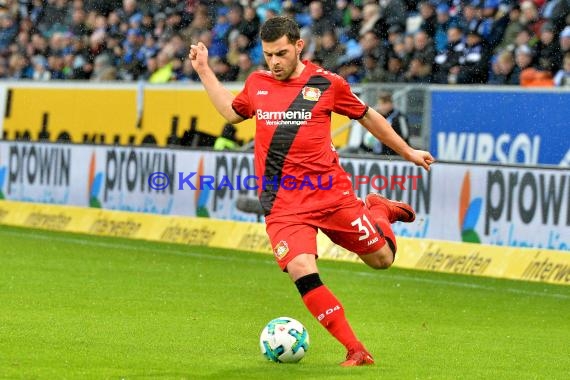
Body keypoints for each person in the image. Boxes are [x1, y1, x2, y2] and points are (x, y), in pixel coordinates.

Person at [189, 16, 434, 367]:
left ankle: (378, 209)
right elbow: (231, 113)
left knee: (382, 260)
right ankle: (356, 349)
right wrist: (203, 70)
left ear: (299, 46)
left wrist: (408, 151)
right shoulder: (257, 84)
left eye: (282, 54)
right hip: (283, 205)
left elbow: (367, 116)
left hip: (331, 196)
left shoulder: (326, 83)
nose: (274, 62)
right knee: (302, 267)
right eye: (269, 54)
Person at [362, 91, 410, 155]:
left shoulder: (399, 117)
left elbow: (405, 135)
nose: (380, 107)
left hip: (394, 155)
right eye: (379, 104)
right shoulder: (377, 116)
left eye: (383, 104)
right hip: (378, 154)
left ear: (390, 104)